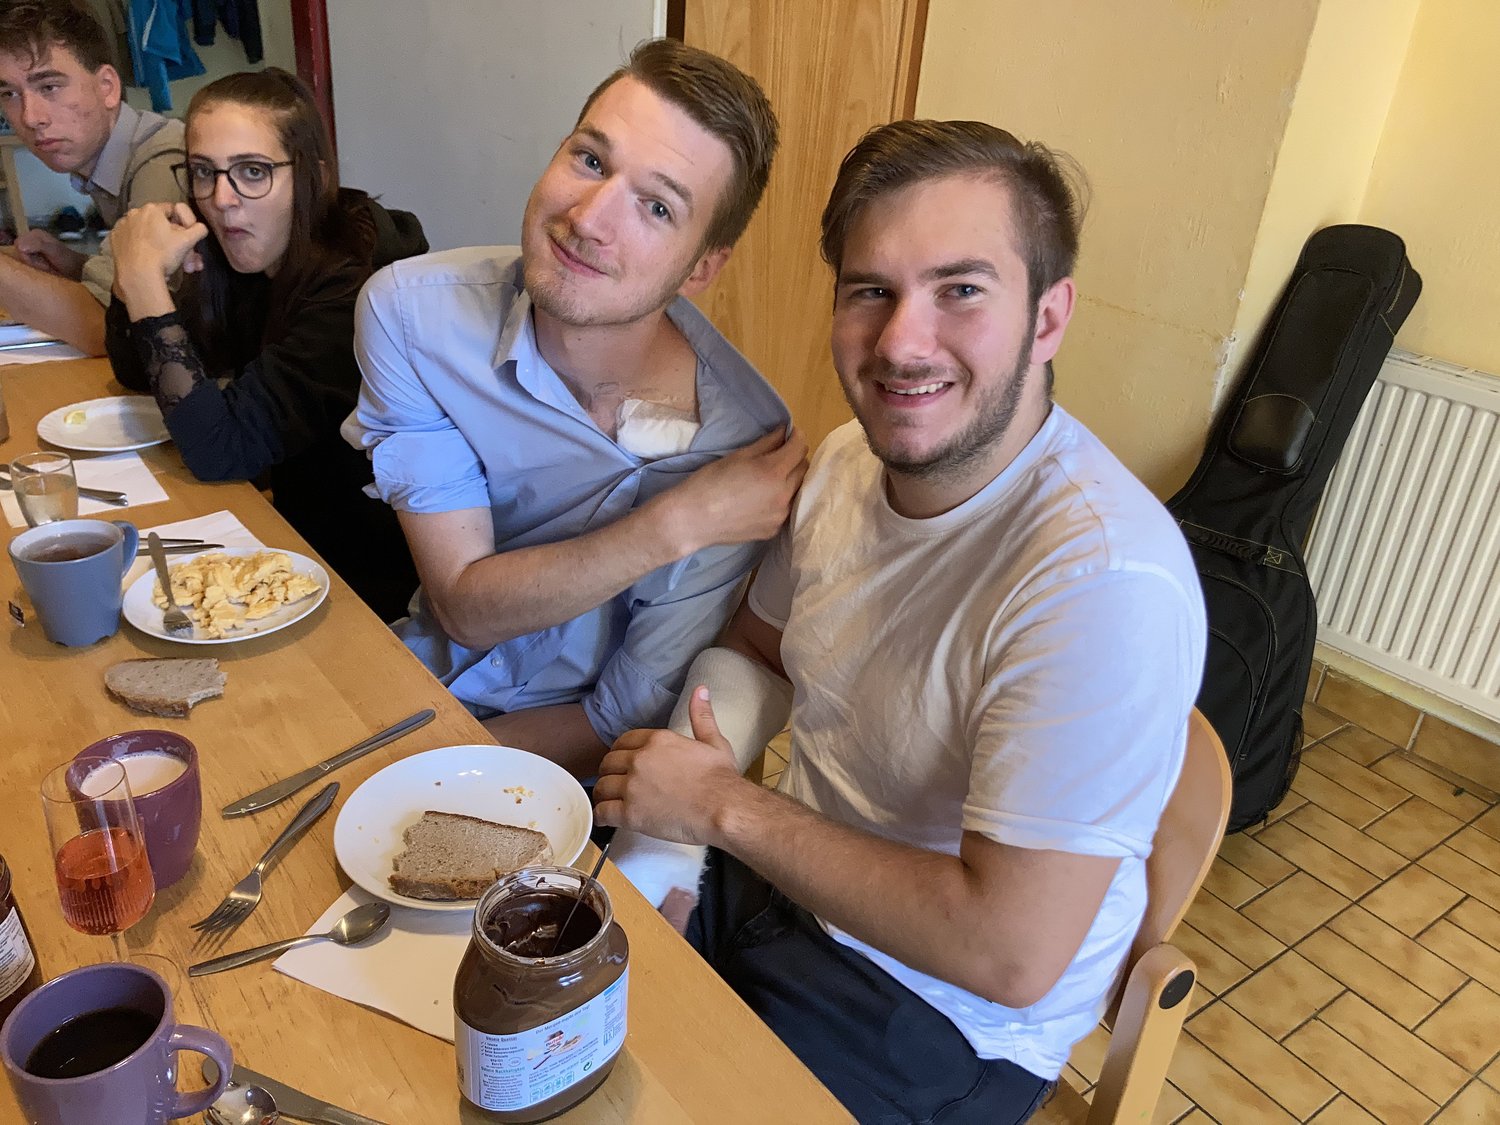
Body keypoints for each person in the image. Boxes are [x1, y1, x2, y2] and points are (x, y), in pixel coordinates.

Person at [593, 119, 1207, 1124]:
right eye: (870, 291)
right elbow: (757, 652)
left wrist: (722, 811)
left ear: (1049, 317)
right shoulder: (848, 459)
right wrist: (670, 851)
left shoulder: (1104, 581)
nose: (901, 343)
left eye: (960, 290)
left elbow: (1006, 952)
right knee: (520, 1016)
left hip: (936, 1015)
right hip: (779, 888)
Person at [346, 39, 806, 775]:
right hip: (413, 691)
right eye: (591, 160)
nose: (590, 219)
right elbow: (462, 606)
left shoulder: (742, 444)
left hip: (569, 774)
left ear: (701, 267)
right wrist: (676, 523)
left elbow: (617, 717)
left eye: (656, 207)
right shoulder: (413, 318)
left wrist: (422, 773)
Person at [103, 68, 425, 621]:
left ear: (312, 177)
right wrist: (135, 282)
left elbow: (221, 451)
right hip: (291, 540)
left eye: (253, 171)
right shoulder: (250, 257)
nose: (221, 199)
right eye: (203, 172)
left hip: (373, 585)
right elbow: (138, 372)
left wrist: (144, 283)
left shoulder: (357, 291)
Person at [0, 0, 184, 354]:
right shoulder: (111, 160)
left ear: (107, 87)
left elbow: (111, 327)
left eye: (49, 86)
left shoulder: (161, 162)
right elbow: (140, 286)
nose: (30, 117)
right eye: (9, 94)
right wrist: (75, 265)